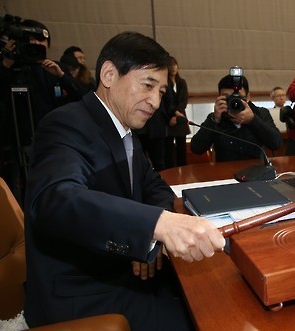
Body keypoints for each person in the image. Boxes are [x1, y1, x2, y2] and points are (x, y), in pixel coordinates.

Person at [23, 31, 225, 330]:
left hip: (121, 267)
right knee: (209, 317)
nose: (156, 101)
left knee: (215, 290)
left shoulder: (125, 130)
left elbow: (154, 186)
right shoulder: (66, 124)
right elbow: (55, 199)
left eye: (161, 91)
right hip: (81, 292)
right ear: (108, 74)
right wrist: (156, 225)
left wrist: (149, 240)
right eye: (148, 85)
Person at [0, 18, 83, 201]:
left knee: (55, 187)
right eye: (32, 40)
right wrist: (6, 65)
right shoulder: (12, 68)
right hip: (18, 142)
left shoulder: (55, 68)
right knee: (19, 192)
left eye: (41, 41)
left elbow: (81, 97)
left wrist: (61, 77)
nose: (36, 44)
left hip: (53, 139)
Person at [190, 71, 282, 162]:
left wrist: (253, 120)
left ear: (248, 97)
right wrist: (214, 120)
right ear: (219, 97)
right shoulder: (215, 118)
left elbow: (276, 144)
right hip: (225, 173)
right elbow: (196, 149)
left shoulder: (261, 113)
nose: (233, 102)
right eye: (227, 97)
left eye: (238, 97)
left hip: (256, 172)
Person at [164, 57, 190, 168]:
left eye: (175, 65)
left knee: (181, 149)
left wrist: (178, 112)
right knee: (169, 149)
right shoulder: (165, 83)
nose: (173, 68)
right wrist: (174, 114)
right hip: (169, 118)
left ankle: (183, 171)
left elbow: (184, 100)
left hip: (180, 117)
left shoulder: (182, 82)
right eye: (171, 65)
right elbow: (165, 101)